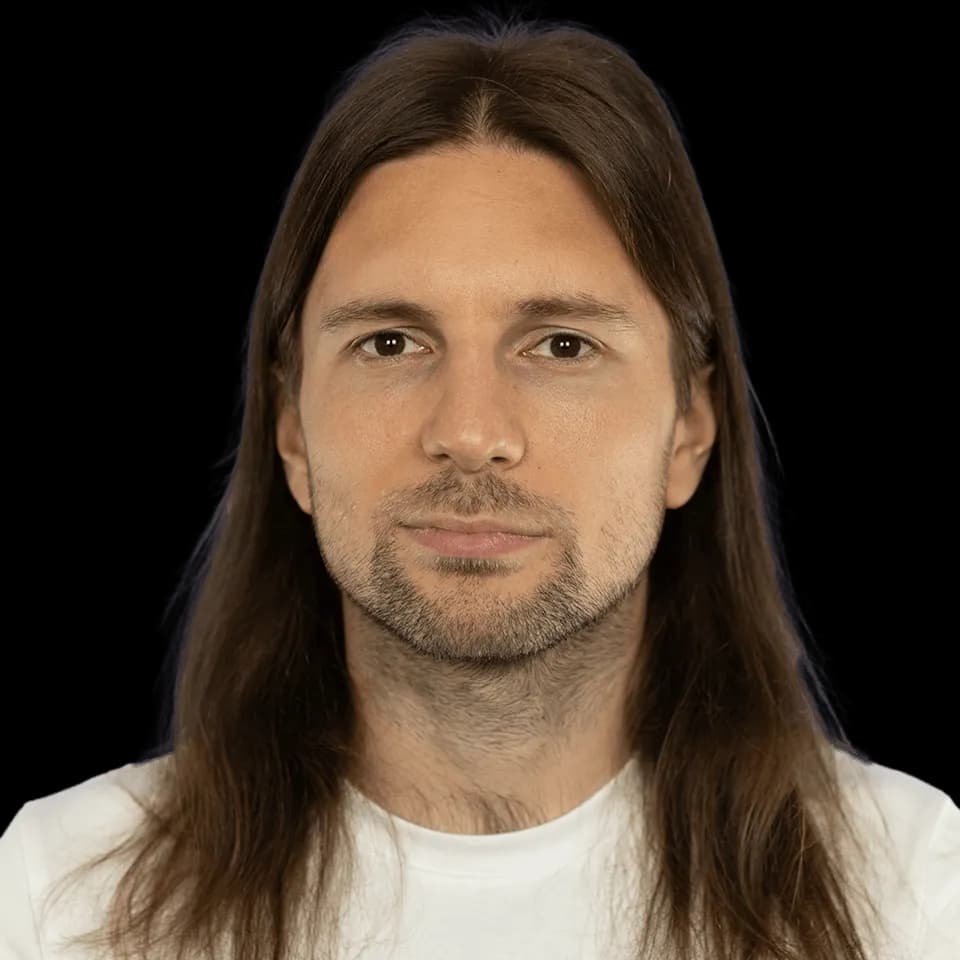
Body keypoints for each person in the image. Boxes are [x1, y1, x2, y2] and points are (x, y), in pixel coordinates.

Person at [1, 10, 956, 960]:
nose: (469, 433)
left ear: (689, 429)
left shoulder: (914, 894)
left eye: (562, 345)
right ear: (291, 427)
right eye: (390, 343)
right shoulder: (61, 897)